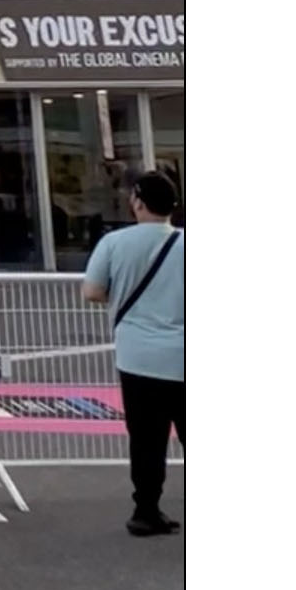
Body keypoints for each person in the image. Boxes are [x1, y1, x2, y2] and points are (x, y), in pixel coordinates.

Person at [82, 171, 186, 537]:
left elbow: (92, 291)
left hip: (138, 358)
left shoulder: (114, 243)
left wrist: (124, 298)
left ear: (138, 202)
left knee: (146, 439)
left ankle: (146, 510)